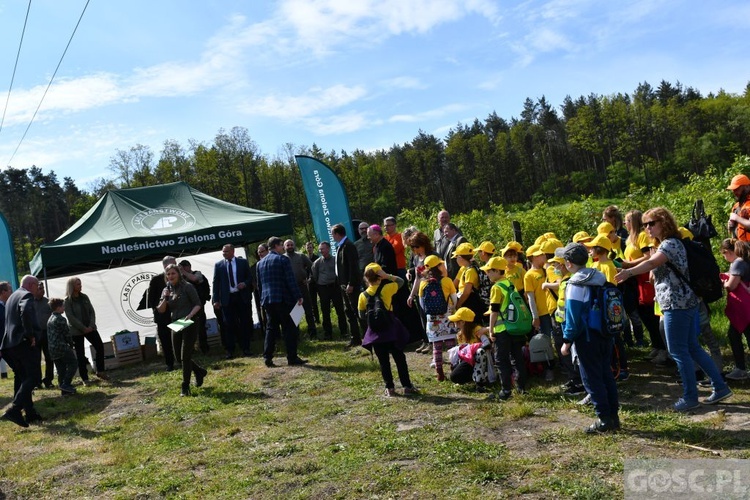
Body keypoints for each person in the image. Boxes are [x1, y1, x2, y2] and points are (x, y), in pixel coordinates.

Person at [614, 207, 733, 411]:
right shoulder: (667, 244)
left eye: (652, 223)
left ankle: (690, 397)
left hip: (676, 304)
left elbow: (652, 262)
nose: (647, 228)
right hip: (685, 302)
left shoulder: (669, 244)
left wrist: (628, 272)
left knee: (678, 351)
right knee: (692, 348)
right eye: (644, 225)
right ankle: (720, 386)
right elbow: (655, 267)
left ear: (664, 223)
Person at [559, 243, 620, 433]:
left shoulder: (575, 283)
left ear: (569, 263)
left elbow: (573, 317)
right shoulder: (598, 276)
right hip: (605, 332)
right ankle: (614, 417)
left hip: (586, 337)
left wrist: (567, 341)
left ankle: (604, 420)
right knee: (606, 375)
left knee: (592, 379)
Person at [358, 263, 417, 397]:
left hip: (375, 333)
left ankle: (389, 388)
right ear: (380, 276)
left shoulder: (362, 296)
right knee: (399, 358)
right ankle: (407, 386)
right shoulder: (387, 289)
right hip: (391, 329)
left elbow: (361, 315)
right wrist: (387, 276)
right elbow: (401, 282)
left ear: (366, 278)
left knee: (383, 361)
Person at [157, 264, 207, 396]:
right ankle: (199, 371)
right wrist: (165, 298)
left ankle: (185, 387)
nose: (170, 276)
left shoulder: (187, 287)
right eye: (168, 274)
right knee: (178, 358)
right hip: (177, 323)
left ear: (179, 274)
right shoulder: (167, 290)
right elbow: (161, 310)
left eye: (173, 273)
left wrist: (190, 315)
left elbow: (198, 304)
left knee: (185, 356)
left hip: (189, 321)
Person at [257, 237, 307, 367]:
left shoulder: (260, 263)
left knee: (271, 329)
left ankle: (267, 358)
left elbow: (259, 285)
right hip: (283, 299)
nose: (283, 248)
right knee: (289, 328)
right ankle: (292, 357)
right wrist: (298, 296)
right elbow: (290, 280)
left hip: (268, 300)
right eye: (281, 245)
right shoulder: (283, 259)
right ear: (276, 246)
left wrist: (262, 300)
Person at [1, 275, 43, 427]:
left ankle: (30, 413)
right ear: (31, 285)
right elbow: (25, 312)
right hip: (22, 343)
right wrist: (30, 335)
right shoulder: (26, 295)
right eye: (37, 286)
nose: (38, 289)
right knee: (34, 376)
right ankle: (14, 409)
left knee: (24, 378)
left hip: (10, 345)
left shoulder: (12, 297)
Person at [483, 257, 527, 400]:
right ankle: (521, 388)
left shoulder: (496, 287)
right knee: (517, 357)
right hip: (515, 327)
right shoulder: (510, 283)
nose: (487, 274)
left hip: (502, 329)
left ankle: (506, 391)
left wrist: (490, 329)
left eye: (489, 271)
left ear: (496, 271)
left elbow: (494, 310)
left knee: (502, 360)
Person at [418, 255, 457, 380]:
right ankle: (454, 369)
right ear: (439, 266)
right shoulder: (447, 281)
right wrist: (451, 309)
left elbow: (421, 303)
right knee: (451, 345)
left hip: (432, 319)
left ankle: (439, 373)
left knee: (437, 347)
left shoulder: (423, 283)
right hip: (447, 316)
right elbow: (454, 299)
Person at [64, 276, 108, 384]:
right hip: (76, 331)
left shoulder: (84, 297)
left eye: (80, 283)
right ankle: (85, 378)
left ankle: (100, 370)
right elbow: (70, 317)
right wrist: (83, 328)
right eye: (78, 284)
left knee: (99, 346)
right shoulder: (67, 301)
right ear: (72, 286)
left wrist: (91, 325)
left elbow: (91, 312)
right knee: (80, 354)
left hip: (90, 328)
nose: (80, 285)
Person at [212, 244, 254, 358]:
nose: (224, 253)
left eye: (226, 251)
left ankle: (246, 348)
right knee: (228, 324)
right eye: (223, 252)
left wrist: (244, 284)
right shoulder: (219, 265)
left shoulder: (243, 263)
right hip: (227, 299)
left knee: (244, 323)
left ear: (232, 251)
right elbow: (216, 283)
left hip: (241, 297)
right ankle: (230, 350)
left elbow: (250, 278)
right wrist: (215, 300)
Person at [720, 238, 750, 381]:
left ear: (729, 251)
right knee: (739, 334)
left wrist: (724, 282)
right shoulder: (745, 260)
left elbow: (731, 286)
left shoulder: (737, 263)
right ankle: (740, 368)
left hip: (742, 308)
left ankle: (740, 369)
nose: (724, 257)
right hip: (746, 307)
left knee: (735, 335)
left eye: (724, 254)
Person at [332, 223, 362, 347]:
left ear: (338, 234)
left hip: (350, 286)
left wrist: (351, 283)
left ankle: (367, 337)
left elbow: (353, 267)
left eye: (333, 233)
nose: (332, 236)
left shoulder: (348, 246)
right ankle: (355, 338)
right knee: (348, 311)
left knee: (357, 311)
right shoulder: (341, 246)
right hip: (343, 285)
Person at [446, 307, 494, 385]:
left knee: (479, 352)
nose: (454, 322)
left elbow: (487, 344)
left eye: (456, 321)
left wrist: (473, 348)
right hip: (468, 361)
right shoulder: (460, 335)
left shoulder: (477, 330)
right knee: (454, 376)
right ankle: (471, 378)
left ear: (463, 322)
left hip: (481, 360)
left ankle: (480, 380)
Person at [311, 241, 346, 340]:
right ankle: (328, 333)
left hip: (335, 287)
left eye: (323, 248)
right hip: (323, 288)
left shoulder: (335, 260)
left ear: (328, 249)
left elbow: (340, 273)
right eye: (320, 249)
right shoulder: (317, 263)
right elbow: (315, 275)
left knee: (340, 310)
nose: (321, 251)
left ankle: (344, 331)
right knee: (325, 312)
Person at [284, 239, 318, 339]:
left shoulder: (301, 256)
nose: (290, 246)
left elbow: (313, 267)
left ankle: (313, 332)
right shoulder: (282, 258)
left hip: (302, 286)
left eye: (291, 245)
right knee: (295, 312)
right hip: (290, 288)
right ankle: (296, 335)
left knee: (308, 309)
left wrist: (310, 279)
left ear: (294, 245)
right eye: (287, 245)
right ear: (284, 247)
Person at [148, 255, 177, 370]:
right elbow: (151, 299)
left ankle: (183, 360)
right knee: (165, 341)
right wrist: (158, 310)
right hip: (163, 317)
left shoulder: (180, 278)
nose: (175, 266)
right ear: (165, 266)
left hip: (178, 315)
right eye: (173, 264)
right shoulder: (156, 280)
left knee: (180, 338)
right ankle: (169, 363)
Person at [46, 298, 78, 396]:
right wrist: (71, 344)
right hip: (62, 347)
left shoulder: (50, 318)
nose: (64, 308)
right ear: (58, 307)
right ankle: (66, 384)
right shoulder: (60, 319)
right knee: (73, 363)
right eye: (63, 306)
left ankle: (64, 391)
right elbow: (66, 334)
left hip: (52, 348)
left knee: (61, 370)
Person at [179, 260, 210, 354]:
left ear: (189, 266)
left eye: (184, 266)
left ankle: (204, 349)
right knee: (185, 330)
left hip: (198, 307)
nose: (183, 269)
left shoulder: (197, 273)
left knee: (201, 329)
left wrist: (184, 272)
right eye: (181, 267)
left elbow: (195, 279)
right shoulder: (180, 278)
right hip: (184, 309)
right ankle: (189, 351)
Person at [34, 281, 54, 389]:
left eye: (42, 288)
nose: (42, 290)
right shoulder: (30, 302)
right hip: (35, 334)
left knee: (49, 358)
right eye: (39, 288)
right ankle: (37, 382)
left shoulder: (48, 302)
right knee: (36, 359)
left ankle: (48, 380)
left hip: (47, 333)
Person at [250, 244, 269, 334]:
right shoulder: (254, 267)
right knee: (262, 312)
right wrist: (256, 286)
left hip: (269, 291)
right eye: (259, 253)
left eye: (262, 252)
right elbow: (252, 280)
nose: (260, 254)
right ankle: (263, 329)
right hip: (259, 293)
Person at [727, 174, 750, 241]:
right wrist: (730, 224)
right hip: (740, 248)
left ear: (747, 187)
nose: (734, 192)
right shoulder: (736, 206)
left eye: (737, 189)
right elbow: (732, 229)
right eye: (733, 189)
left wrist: (736, 218)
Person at [304, 241, 321, 324]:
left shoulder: (317, 258)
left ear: (313, 248)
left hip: (318, 282)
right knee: (313, 302)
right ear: (305, 248)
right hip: (309, 284)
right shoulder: (304, 258)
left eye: (310, 247)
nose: (309, 249)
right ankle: (316, 319)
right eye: (308, 247)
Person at [0, 282, 12, 380]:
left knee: (18, 368)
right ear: (3, 292)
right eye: (9, 290)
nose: (11, 292)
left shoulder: (7, 305)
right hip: (1, 344)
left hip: (7, 344)